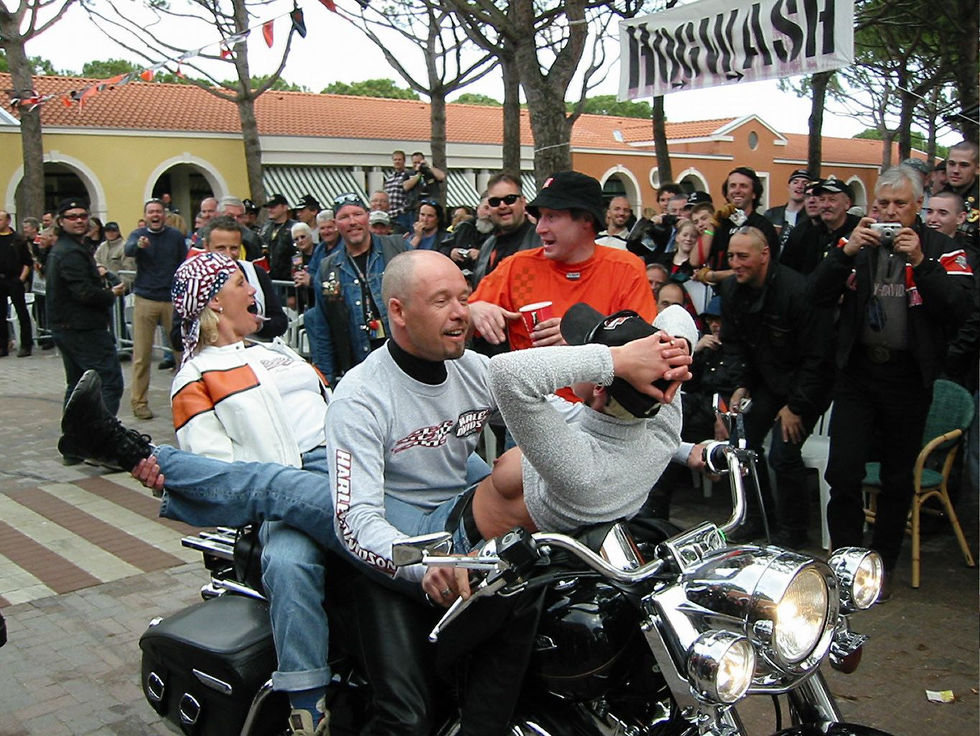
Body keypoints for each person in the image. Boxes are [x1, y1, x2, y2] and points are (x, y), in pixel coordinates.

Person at [812, 166, 973, 594]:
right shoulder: (856, 243)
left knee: (897, 479)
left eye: (900, 203)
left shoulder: (943, 249)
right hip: (859, 373)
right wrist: (845, 253)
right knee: (843, 472)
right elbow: (814, 295)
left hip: (908, 376)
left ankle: (880, 569)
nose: (890, 211)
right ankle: (846, 565)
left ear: (919, 205)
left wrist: (920, 262)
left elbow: (959, 309)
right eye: (882, 203)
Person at [720, 226, 835, 546]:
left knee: (783, 454)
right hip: (768, 379)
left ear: (764, 255)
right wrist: (740, 383)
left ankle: (794, 531)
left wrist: (796, 407)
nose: (735, 263)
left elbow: (818, 357)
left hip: (810, 383)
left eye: (743, 256)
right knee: (741, 446)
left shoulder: (798, 290)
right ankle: (756, 519)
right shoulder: (731, 289)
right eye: (731, 256)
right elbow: (733, 343)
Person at [469, 171, 655, 358]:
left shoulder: (626, 269)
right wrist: (473, 310)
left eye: (551, 217)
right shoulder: (518, 267)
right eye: (540, 217)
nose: (540, 228)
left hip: (602, 377)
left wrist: (586, 335)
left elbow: (648, 346)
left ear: (586, 219)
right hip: (529, 376)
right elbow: (460, 316)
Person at [309, 193, 406, 385]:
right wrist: (325, 382)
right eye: (344, 217)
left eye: (357, 214)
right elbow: (322, 328)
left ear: (368, 216)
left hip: (405, 359)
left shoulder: (397, 248)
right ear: (336, 224)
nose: (352, 222)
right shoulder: (328, 267)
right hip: (360, 367)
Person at [45, 198, 125, 422]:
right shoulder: (69, 252)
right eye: (72, 217)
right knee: (108, 382)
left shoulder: (72, 248)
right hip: (82, 328)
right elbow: (84, 293)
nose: (79, 221)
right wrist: (111, 294)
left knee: (78, 384)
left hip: (70, 327)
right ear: (61, 222)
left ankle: (73, 438)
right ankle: (98, 436)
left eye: (82, 216)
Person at [124, 198, 188, 419]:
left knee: (182, 353)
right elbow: (128, 249)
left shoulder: (175, 237)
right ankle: (139, 402)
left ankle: (187, 400)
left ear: (164, 215)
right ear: (146, 216)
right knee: (142, 355)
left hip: (172, 300)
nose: (155, 215)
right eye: (151, 212)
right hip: (145, 299)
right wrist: (138, 245)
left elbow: (183, 264)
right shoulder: (138, 235)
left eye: (158, 211)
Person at [691, 166, 779, 283]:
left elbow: (759, 268)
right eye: (732, 186)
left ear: (754, 194)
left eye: (743, 186)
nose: (737, 190)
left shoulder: (763, 226)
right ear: (727, 194)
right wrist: (712, 224)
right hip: (721, 291)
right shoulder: (720, 224)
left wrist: (713, 276)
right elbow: (695, 261)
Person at [780, 177, 861, 276]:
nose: (826, 205)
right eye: (822, 200)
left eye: (832, 200)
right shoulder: (806, 234)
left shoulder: (859, 231)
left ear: (847, 203)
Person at [470, 173, 541, 286]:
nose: (502, 206)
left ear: (523, 202)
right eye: (495, 202)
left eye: (509, 199)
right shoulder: (487, 246)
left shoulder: (542, 242)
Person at [0, 210, 35, 357]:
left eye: (0, 219)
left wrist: (21, 279)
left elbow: (27, 262)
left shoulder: (18, 240)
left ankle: (26, 345)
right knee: (1, 314)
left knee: (21, 312)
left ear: (8, 221)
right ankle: (3, 346)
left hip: (14, 279)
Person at [764, 168, 810, 250]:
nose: (800, 186)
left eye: (805, 183)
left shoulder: (811, 218)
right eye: (795, 182)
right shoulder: (771, 214)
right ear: (788, 187)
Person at [260, 193, 299, 281]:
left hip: (288, 279)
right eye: (268, 207)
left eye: (273, 207)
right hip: (269, 279)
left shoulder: (295, 227)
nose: (269, 210)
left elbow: (298, 254)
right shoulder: (265, 228)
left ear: (284, 207)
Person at [384, 150, 415, 234]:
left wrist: (403, 209)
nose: (397, 162)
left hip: (402, 215)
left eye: (399, 159)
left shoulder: (409, 175)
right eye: (395, 160)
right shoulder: (389, 178)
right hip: (390, 215)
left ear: (404, 161)